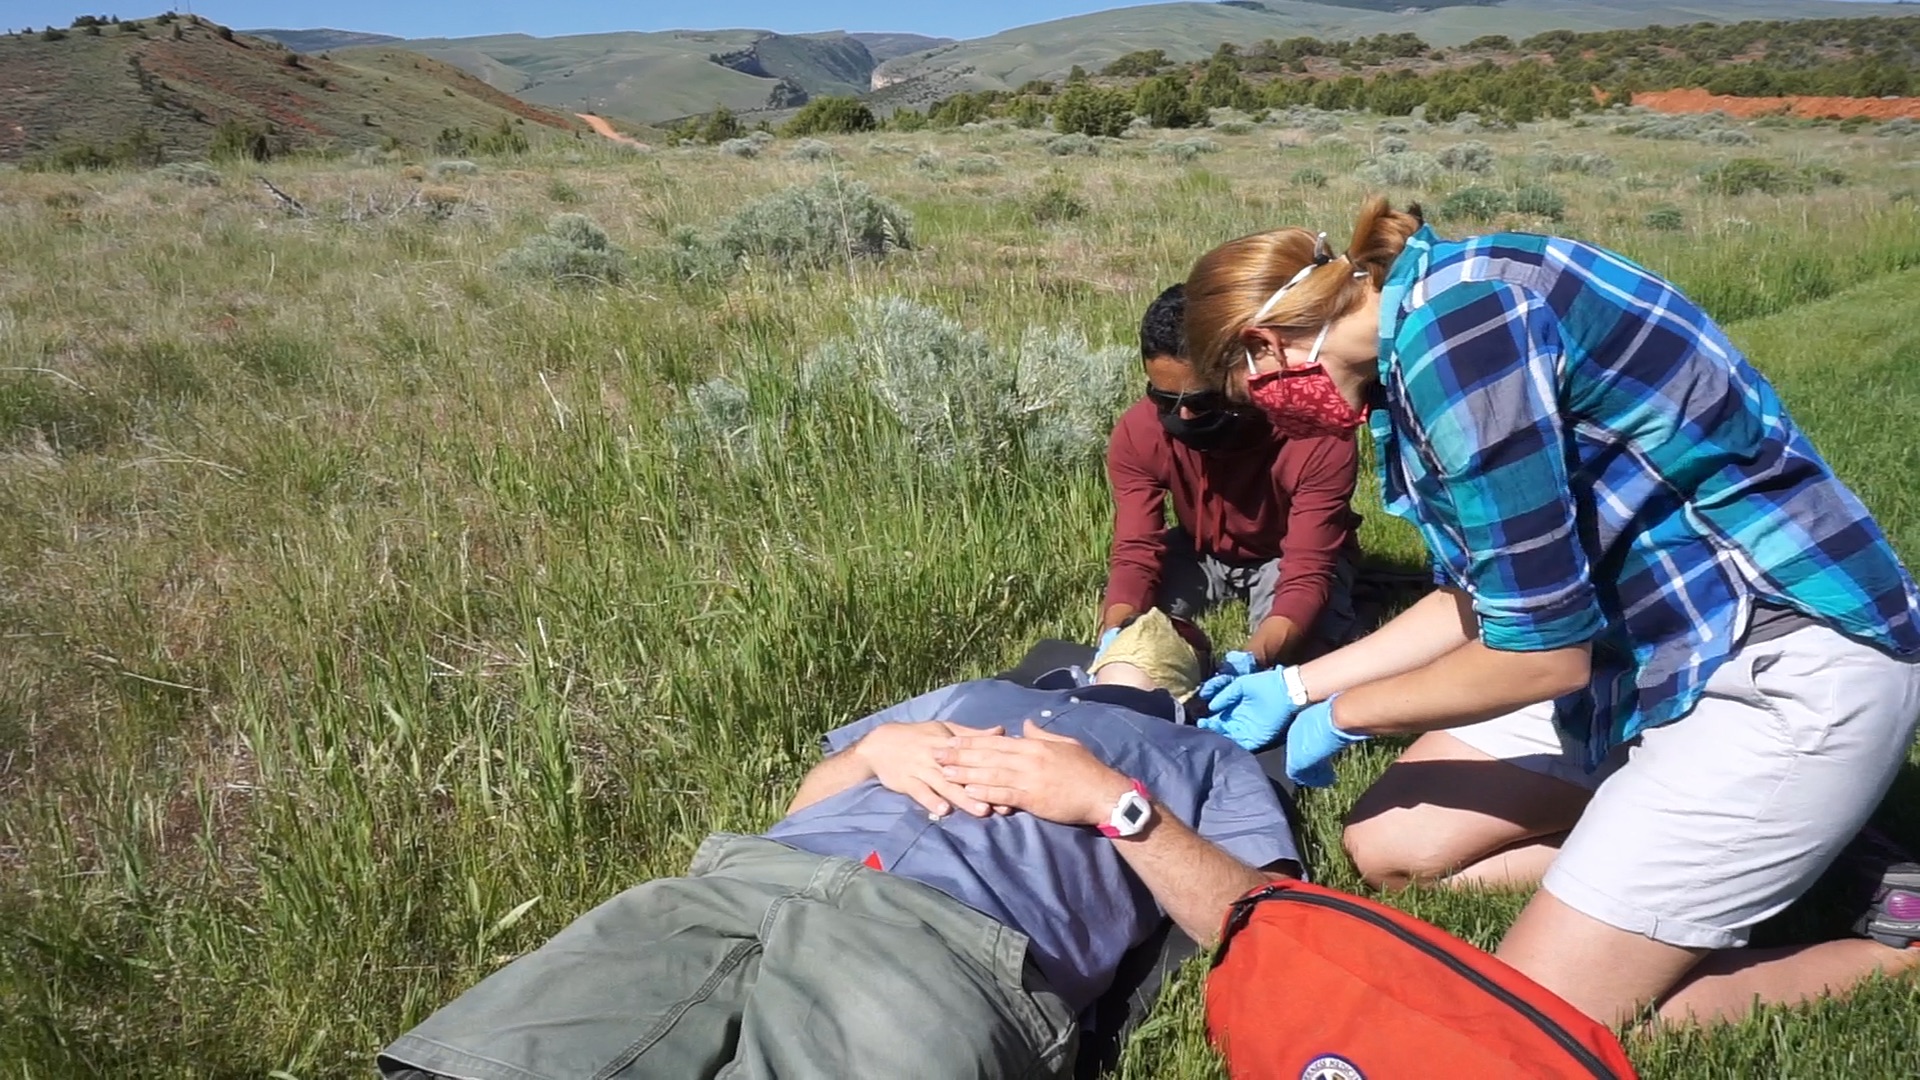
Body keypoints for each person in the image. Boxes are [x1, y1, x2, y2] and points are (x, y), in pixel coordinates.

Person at [1178, 196, 1920, 1027]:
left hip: (1773, 655)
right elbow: (1484, 594)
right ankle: (1719, 850)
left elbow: (1540, 657)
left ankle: (1898, 950)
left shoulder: (1462, 339)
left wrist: (1346, 716)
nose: (1269, 416)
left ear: (1263, 346)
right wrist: (1298, 688)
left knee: (1545, 1014)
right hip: (1646, 653)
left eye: (1247, 395)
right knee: (1390, 848)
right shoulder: (1431, 310)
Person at [378, 611, 1300, 1080]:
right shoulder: (973, 689)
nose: (1150, 634)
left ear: (1194, 674)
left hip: (940, 948)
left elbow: (1260, 926)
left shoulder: (1202, 754)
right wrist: (867, 752)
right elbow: (803, 804)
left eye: (1177, 634)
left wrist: (1111, 801)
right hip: (736, 886)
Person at [1101, 283, 1361, 674]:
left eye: (1201, 401)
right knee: (1141, 638)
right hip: (1197, 552)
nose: (1183, 417)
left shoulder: (1316, 433)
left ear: (1243, 373)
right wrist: (1117, 635)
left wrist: (1250, 664)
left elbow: (1306, 570)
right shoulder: (1140, 431)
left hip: (1284, 555)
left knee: (1298, 656)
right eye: (1165, 400)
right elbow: (1136, 551)